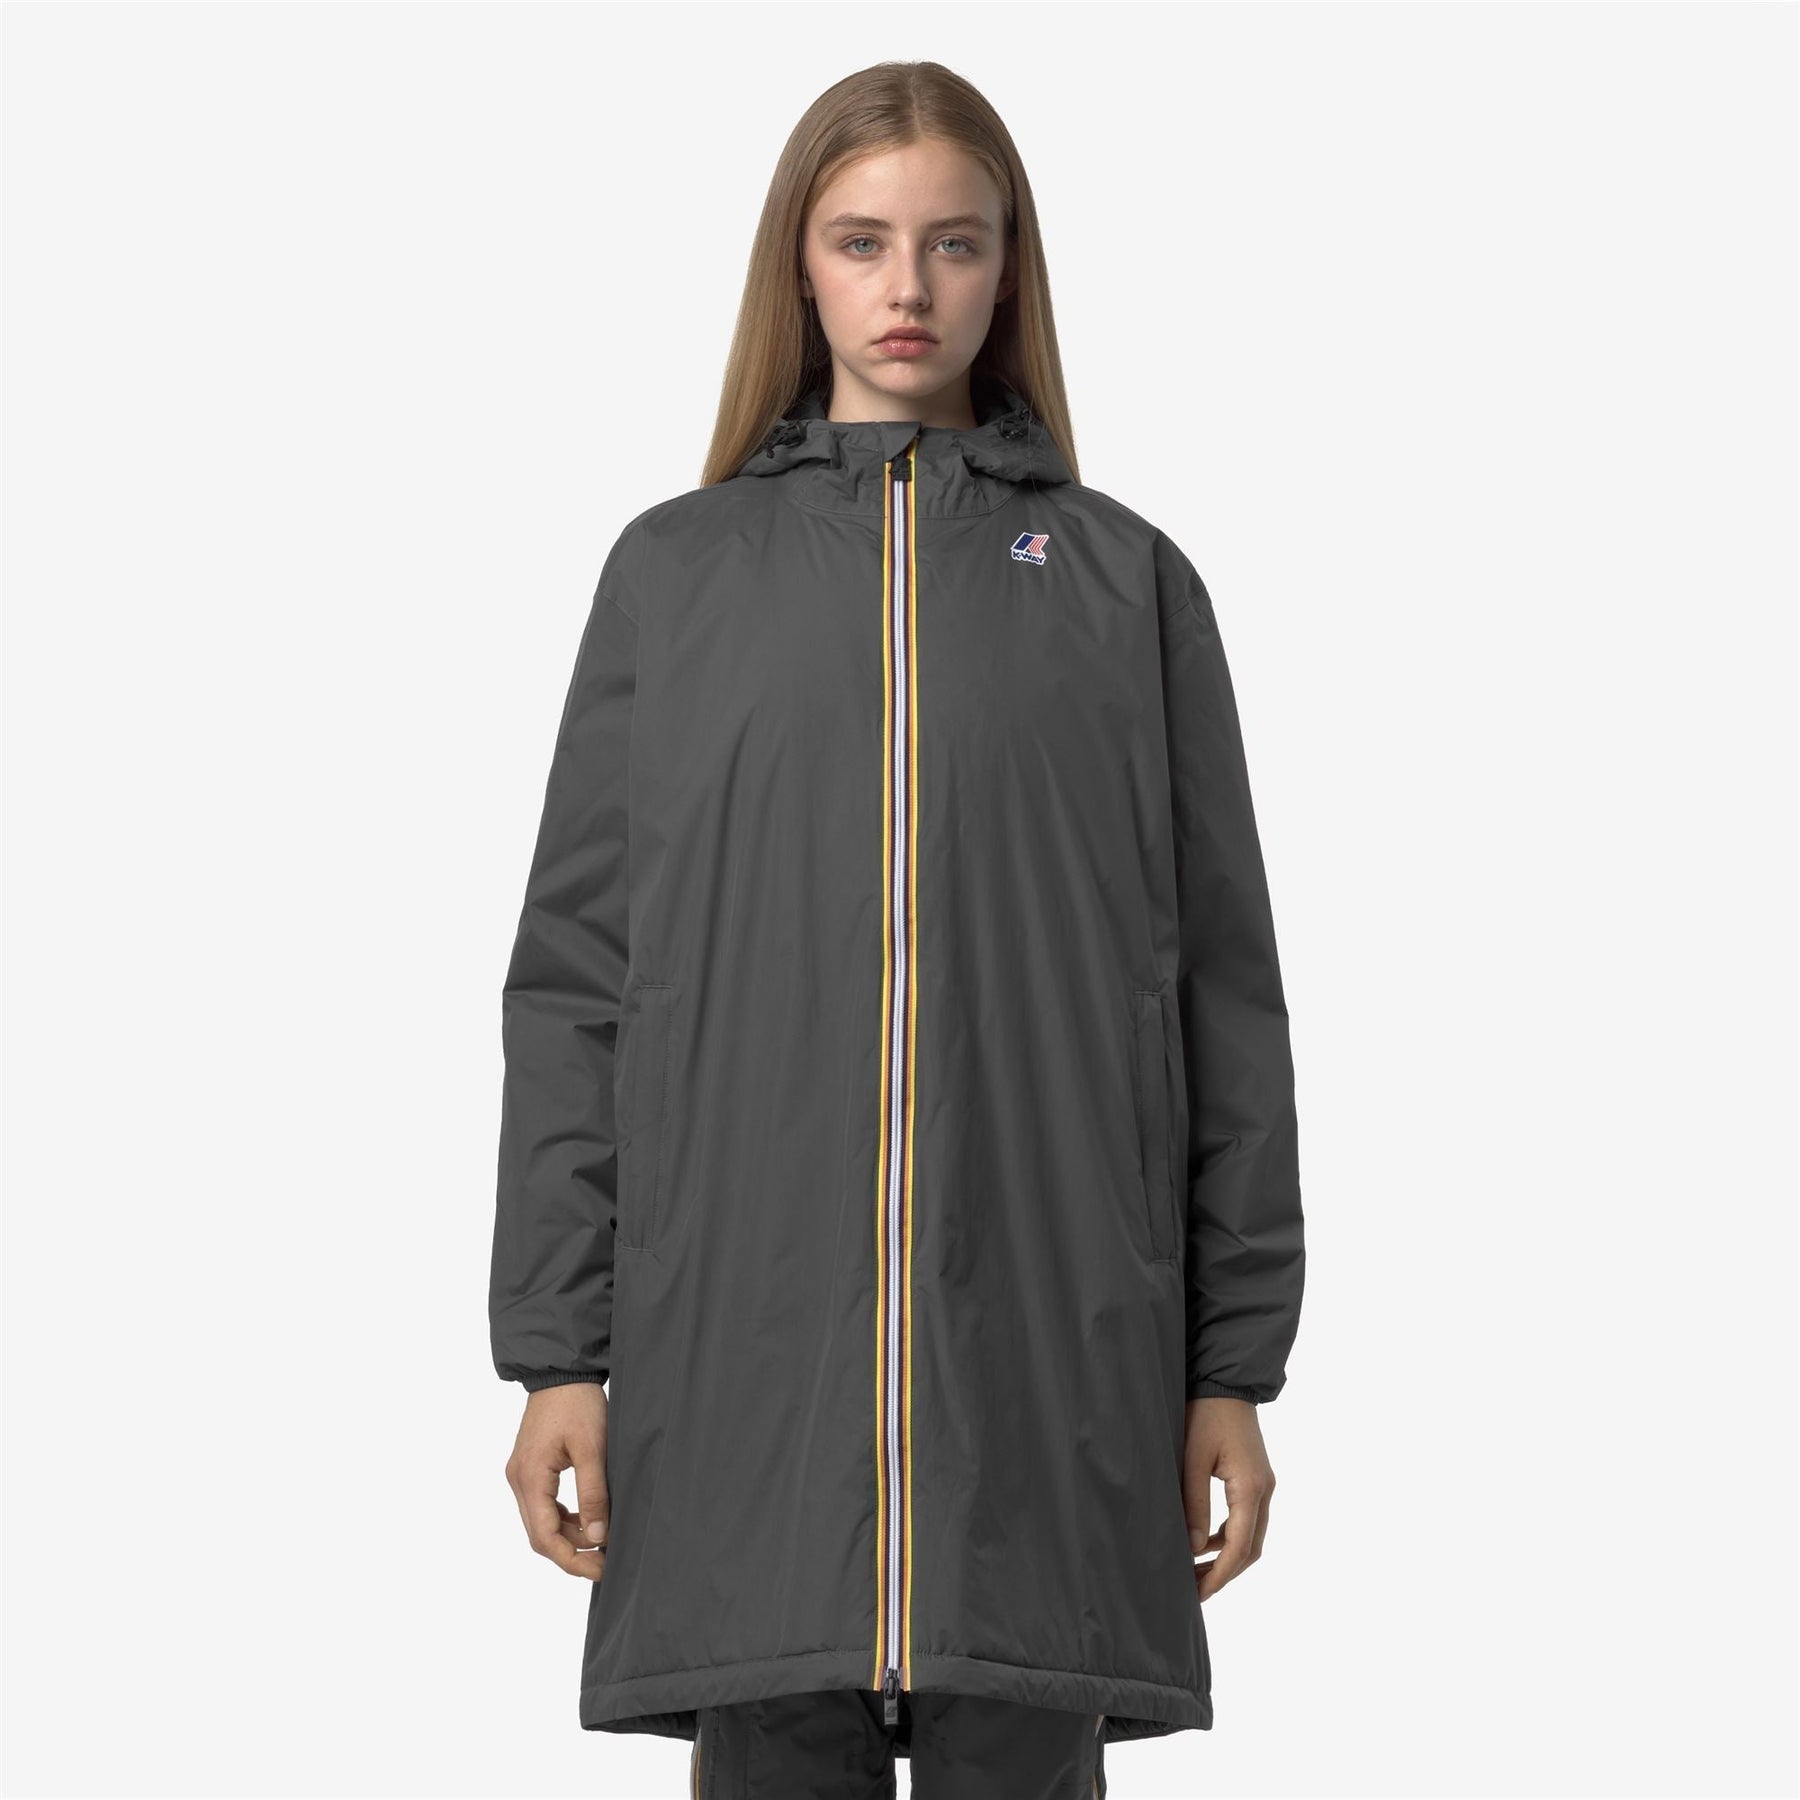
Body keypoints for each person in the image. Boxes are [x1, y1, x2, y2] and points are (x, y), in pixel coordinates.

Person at [489, 59, 1305, 1800]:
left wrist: (1230, 1369)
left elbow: (1223, 1001)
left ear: (1011, 268)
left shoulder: (1124, 586)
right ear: (799, 267)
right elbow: (578, 986)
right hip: (739, 1385)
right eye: (862, 241)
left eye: (955, 242)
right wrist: (560, 1353)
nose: (909, 286)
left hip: (1053, 1379)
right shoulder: (676, 578)